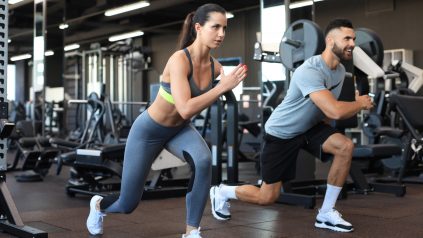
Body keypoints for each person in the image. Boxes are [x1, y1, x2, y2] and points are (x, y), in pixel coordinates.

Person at [86, 3, 247, 238]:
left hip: (179, 130)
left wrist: (227, 85)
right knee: (127, 204)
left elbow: (215, 94)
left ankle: (192, 231)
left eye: (225, 28)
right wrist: (222, 88)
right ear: (199, 28)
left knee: (203, 161)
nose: (221, 34)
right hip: (148, 131)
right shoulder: (179, 60)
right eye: (216, 27)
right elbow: (184, 108)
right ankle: (98, 205)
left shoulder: (215, 67)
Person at [210, 19, 374, 233]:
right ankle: (222, 192)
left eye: (353, 39)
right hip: (282, 132)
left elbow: (326, 112)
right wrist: (360, 103)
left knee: (344, 146)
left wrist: (324, 133)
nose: (352, 43)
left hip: (309, 128)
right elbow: (334, 110)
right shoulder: (310, 70)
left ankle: (326, 213)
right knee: (267, 197)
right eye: (347, 39)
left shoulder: (340, 71)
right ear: (330, 40)